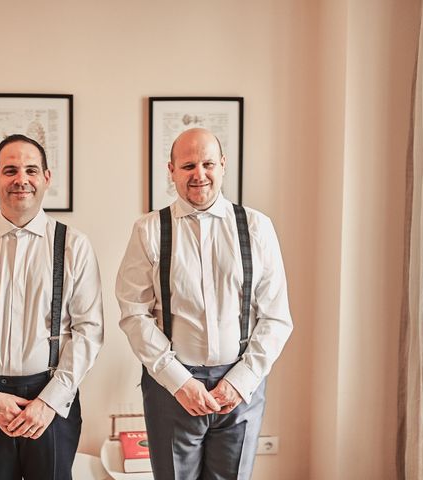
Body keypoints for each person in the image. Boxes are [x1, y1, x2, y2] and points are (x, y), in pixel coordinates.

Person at [116, 128, 293, 480]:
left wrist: (241, 380)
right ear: (171, 170)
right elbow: (133, 313)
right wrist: (179, 381)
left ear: (223, 165)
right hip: (172, 388)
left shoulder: (257, 227)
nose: (199, 174)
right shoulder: (149, 230)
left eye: (208, 163)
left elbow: (276, 317)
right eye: (188, 165)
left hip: (241, 387)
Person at [0, 134, 104, 480]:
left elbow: (89, 332)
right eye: (10, 170)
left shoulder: (75, 246)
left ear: (46, 177)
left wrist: (49, 402)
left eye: (31, 170)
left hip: (53, 399)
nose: (21, 179)